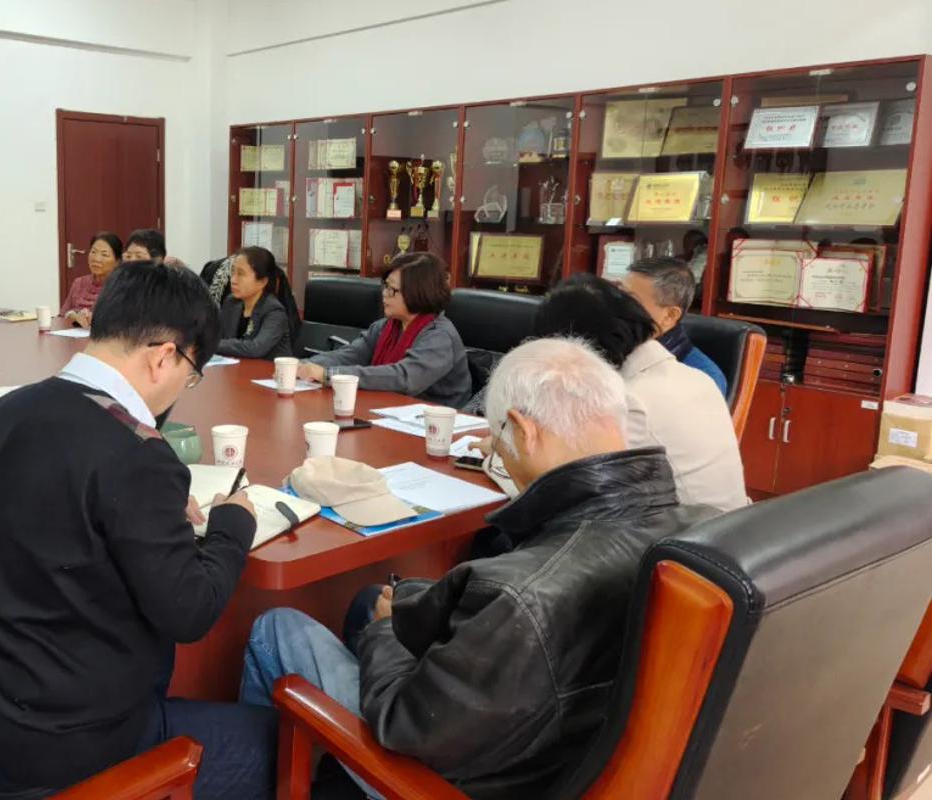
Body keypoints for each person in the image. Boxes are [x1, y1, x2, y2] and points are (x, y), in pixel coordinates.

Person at [241, 337, 716, 799]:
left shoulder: (520, 597)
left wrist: (386, 633)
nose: (491, 447)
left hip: (450, 775)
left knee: (279, 627)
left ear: (523, 430)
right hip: (557, 748)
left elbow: (406, 726)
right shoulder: (706, 530)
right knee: (373, 601)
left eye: (496, 434)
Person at [0, 262, 276, 800]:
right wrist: (232, 524)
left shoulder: (4, 411)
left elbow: (55, 517)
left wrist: (148, 512)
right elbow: (190, 611)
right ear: (164, 356)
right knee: (285, 745)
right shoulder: (137, 453)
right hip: (65, 751)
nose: (184, 388)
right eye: (191, 374)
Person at [532, 274, 748, 512]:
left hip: (682, 531)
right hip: (727, 526)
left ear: (578, 348)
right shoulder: (697, 377)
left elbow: (565, 483)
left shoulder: (629, 400)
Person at [297, 252, 470, 408]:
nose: (384, 294)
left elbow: (403, 378)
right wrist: (304, 366)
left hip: (435, 420)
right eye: (385, 286)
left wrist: (328, 375)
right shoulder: (386, 326)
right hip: (390, 409)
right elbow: (350, 355)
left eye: (392, 289)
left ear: (418, 292)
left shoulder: (439, 336)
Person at [622, 256, 728, 396]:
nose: (615, 306)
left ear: (670, 316)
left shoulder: (703, 378)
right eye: (618, 295)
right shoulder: (617, 349)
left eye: (631, 301)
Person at [215, 246, 298, 360]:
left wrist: (211, 344)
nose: (233, 280)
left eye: (241, 274)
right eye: (233, 272)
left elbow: (255, 349)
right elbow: (217, 335)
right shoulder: (231, 303)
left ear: (262, 282)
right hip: (237, 367)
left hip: (269, 370)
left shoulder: (274, 311)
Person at [60, 231, 122, 328]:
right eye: (93, 252)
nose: (96, 259)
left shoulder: (122, 287)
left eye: (104, 255)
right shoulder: (79, 282)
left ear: (117, 261)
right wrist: (73, 316)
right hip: (75, 335)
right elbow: (63, 315)